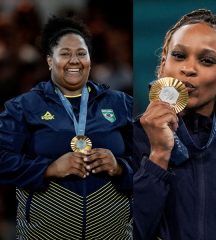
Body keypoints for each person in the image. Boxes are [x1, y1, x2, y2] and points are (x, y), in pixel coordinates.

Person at [132, 9, 216, 240]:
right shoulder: (128, 140)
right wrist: (158, 157)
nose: (189, 69)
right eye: (179, 56)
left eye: (206, 60)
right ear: (164, 65)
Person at [0, 16, 134, 239]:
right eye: (65, 53)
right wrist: (48, 168)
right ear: (50, 60)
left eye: (81, 53)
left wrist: (120, 167)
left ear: (90, 59)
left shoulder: (120, 103)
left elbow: (150, 161)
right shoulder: (23, 106)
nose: (75, 60)